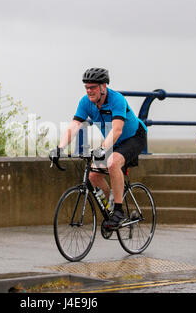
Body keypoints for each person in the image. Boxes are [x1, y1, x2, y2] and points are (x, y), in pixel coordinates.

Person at [49, 67, 148, 229]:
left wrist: (103, 148)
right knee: (93, 176)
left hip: (134, 137)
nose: (89, 91)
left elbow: (117, 129)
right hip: (113, 141)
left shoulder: (117, 99)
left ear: (103, 87)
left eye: (93, 87)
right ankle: (111, 207)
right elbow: (75, 125)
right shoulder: (85, 102)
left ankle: (118, 211)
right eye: (87, 87)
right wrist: (59, 148)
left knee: (113, 163)